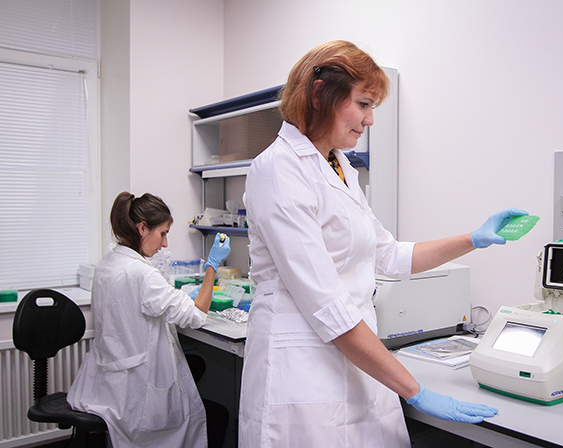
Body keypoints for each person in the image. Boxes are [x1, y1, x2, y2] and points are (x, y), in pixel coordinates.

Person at [240, 40, 527, 448]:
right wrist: (415, 390)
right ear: (320, 95)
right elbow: (327, 305)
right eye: (363, 104)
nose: (370, 119)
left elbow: (388, 255)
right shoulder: (278, 170)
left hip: (355, 356)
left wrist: (472, 239)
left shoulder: (338, 166)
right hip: (302, 366)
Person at [67, 192, 231, 448]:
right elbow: (196, 315)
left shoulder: (107, 264)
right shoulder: (142, 274)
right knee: (213, 415)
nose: (164, 244)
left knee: (196, 368)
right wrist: (212, 265)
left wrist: (178, 296)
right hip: (137, 395)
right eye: (163, 233)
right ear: (142, 228)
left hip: (111, 384)